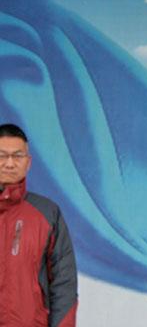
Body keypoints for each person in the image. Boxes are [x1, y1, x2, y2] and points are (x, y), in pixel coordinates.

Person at [0, 123, 78, 327]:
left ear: (28, 162)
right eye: (2, 156)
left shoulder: (47, 213)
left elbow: (64, 284)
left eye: (17, 156)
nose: (9, 163)